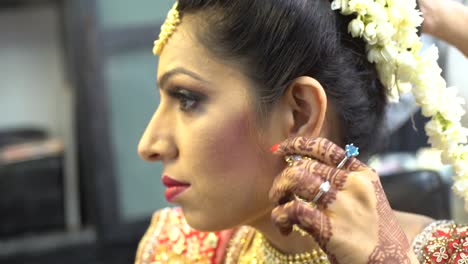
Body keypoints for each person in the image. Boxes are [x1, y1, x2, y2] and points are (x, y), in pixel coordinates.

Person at [135, 0, 468, 263]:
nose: (148, 145)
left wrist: (442, 16)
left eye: (187, 99)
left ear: (300, 113)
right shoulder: (175, 249)